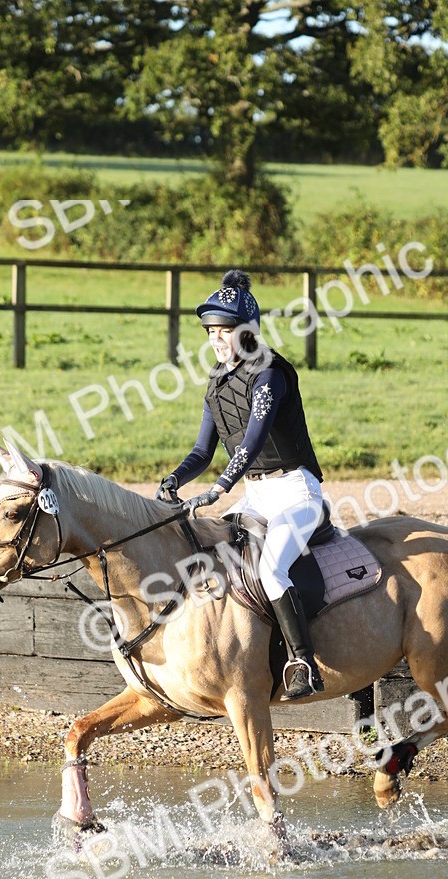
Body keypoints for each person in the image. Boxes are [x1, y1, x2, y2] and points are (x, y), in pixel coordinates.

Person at [156, 269, 326, 701]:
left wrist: (219, 489)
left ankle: (303, 661)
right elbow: (201, 452)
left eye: (224, 330)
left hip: (296, 491)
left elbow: (251, 442)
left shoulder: (269, 373)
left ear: (247, 333)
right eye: (211, 331)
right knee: (212, 554)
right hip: (257, 495)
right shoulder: (217, 383)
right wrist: (174, 478)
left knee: (271, 570)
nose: (216, 338)